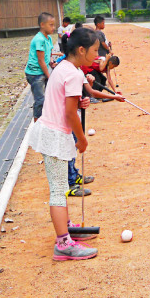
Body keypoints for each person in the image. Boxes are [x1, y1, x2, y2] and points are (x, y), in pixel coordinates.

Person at [25, 27, 101, 260]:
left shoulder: (64, 67)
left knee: (59, 187)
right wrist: (81, 139)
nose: (97, 55)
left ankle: (66, 228)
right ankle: (63, 243)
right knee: (58, 190)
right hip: (56, 135)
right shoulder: (74, 74)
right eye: (95, 50)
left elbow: (65, 104)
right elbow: (69, 114)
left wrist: (80, 105)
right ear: (81, 50)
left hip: (51, 132)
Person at [25, 12, 57, 122]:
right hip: (35, 74)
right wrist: (49, 76)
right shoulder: (39, 39)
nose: (54, 27)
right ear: (42, 25)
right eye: (51, 25)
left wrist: (51, 62)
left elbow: (48, 55)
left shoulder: (48, 38)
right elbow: (41, 60)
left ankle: (47, 121)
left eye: (54, 25)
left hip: (43, 71)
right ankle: (37, 124)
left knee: (49, 97)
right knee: (40, 100)